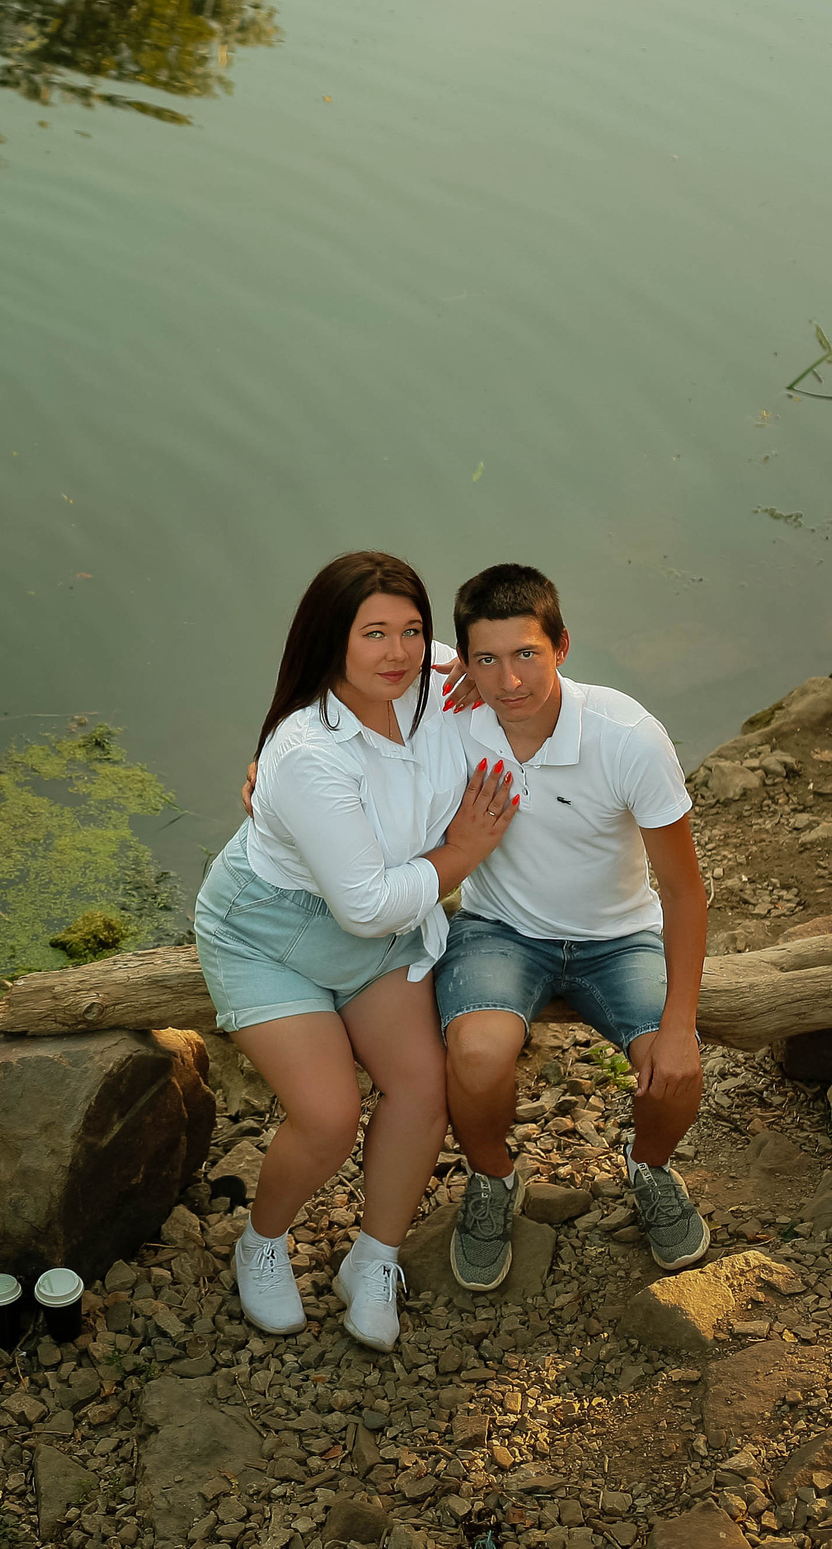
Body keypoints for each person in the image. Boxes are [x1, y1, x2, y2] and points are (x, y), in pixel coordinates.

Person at [196, 551, 518, 1351]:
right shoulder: (308, 752)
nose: (398, 652)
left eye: (411, 629)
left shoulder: (442, 680)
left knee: (421, 1089)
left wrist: (488, 671)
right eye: (373, 632)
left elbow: (514, 663)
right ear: (330, 640)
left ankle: (373, 1258)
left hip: (380, 933)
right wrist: (463, 853)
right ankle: (262, 1241)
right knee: (329, 1115)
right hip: (270, 932)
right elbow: (367, 902)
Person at [430, 564, 711, 1290]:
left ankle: (646, 1165)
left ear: (561, 645)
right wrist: (265, 766)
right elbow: (352, 660)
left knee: (677, 1073)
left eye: (527, 653)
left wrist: (679, 1023)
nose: (508, 680)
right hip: (501, 929)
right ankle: (494, 1177)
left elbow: (683, 890)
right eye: (485, 659)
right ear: (462, 660)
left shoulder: (629, 738)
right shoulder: (448, 704)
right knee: (479, 1052)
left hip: (619, 937)